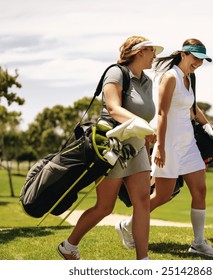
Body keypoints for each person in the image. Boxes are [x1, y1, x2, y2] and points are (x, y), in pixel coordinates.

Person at [57, 36, 163, 260]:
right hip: (111, 148)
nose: (155, 56)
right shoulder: (116, 73)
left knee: (143, 202)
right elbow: (113, 108)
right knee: (105, 206)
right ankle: (69, 245)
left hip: (137, 148)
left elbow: (144, 113)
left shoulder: (147, 81)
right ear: (139, 51)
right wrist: (144, 127)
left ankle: (143, 261)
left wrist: (145, 138)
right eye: (152, 51)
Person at [116, 38, 213, 258]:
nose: (198, 63)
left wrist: (208, 126)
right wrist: (161, 149)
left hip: (188, 144)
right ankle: (128, 226)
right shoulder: (170, 77)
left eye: (202, 60)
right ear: (184, 54)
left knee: (200, 191)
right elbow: (162, 113)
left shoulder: (189, 77)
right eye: (195, 58)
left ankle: (198, 243)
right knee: (163, 195)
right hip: (169, 145)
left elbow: (192, 107)